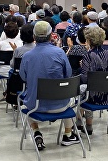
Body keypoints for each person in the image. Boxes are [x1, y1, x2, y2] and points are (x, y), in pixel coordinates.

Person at [20, 21, 80, 150]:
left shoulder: (27, 56)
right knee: (70, 98)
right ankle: (68, 134)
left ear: (34, 37)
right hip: (61, 104)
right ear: (50, 36)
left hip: (35, 106)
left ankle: (36, 131)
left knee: (26, 101)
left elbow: (24, 78)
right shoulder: (59, 53)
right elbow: (68, 74)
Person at [78, 26, 108, 135]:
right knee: (89, 88)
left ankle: (80, 122)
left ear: (88, 40)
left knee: (82, 90)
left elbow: (85, 79)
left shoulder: (88, 56)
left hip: (94, 97)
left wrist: (82, 68)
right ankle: (88, 125)